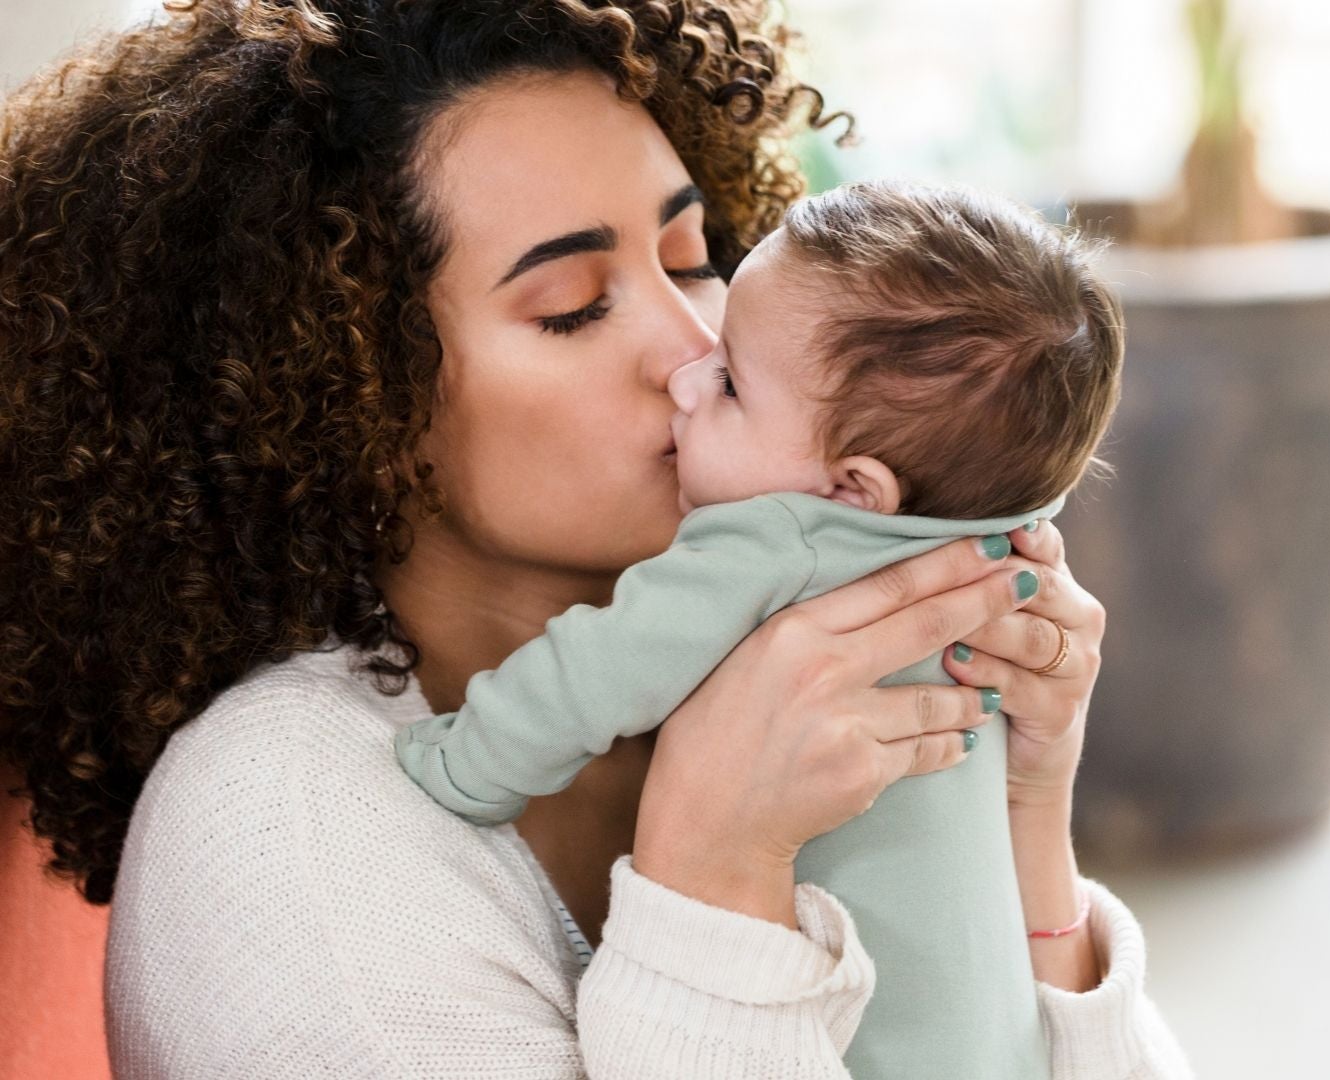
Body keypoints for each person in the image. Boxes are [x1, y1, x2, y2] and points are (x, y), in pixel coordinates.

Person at [0, 2, 1197, 1077]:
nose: (694, 352)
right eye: (572, 305)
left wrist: (1028, 822)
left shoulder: (793, 672)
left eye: (696, 258)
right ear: (340, 382)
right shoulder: (291, 837)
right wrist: (714, 876)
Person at [391, 177, 1122, 1078]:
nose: (693, 368)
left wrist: (464, 763)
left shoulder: (773, 542)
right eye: (576, 307)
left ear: (855, 487)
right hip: (1005, 1032)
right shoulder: (1006, 543)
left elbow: (597, 672)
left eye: (732, 383)